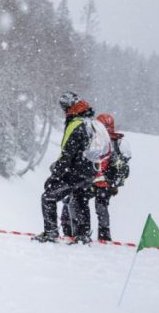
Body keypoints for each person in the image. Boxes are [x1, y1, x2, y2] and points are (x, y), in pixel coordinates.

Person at [35, 92, 109, 244]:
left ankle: (51, 233)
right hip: (91, 171)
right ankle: (83, 235)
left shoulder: (75, 125)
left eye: (64, 108)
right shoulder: (91, 122)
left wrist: (54, 176)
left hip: (76, 171)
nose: (64, 112)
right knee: (80, 199)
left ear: (69, 107)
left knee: (48, 197)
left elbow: (66, 155)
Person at [61, 112, 131, 243]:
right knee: (84, 203)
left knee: (92, 205)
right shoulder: (102, 141)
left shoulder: (109, 143)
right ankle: (86, 233)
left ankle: (91, 234)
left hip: (98, 182)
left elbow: (121, 169)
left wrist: (113, 182)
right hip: (95, 181)